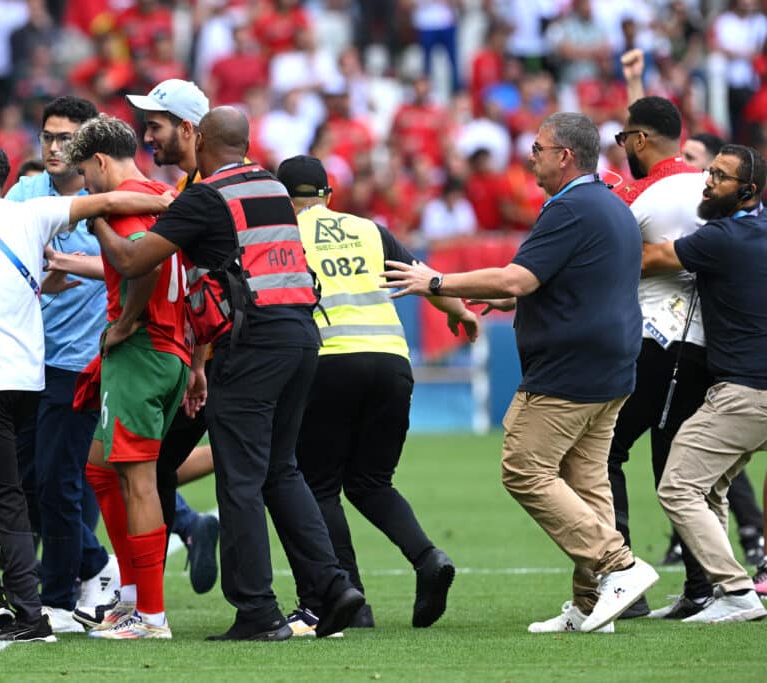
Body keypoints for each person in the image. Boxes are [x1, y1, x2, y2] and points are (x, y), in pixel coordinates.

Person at [87, 106, 365, 641]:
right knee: (281, 470)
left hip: (251, 343)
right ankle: (333, 587)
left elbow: (132, 260)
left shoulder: (206, 195)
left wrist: (94, 214)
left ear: (201, 139)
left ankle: (257, 611)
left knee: (241, 479)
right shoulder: (270, 186)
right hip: (303, 335)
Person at [382, 112, 659, 634]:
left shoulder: (571, 208)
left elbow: (517, 277)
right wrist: (512, 300)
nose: (530, 155)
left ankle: (618, 566)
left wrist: (436, 280)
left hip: (569, 371)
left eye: (537, 147)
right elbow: (560, 286)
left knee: (523, 467)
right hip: (613, 366)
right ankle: (589, 602)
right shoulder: (609, 206)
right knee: (587, 482)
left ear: (566, 156)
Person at [0, 139, 169, 642]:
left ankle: (28, 612)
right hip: (30, 380)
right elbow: (108, 202)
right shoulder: (32, 214)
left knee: (2, 492)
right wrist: (168, 203)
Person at [277, 154, 477, 635]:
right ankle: (428, 558)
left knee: (319, 486)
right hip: (392, 362)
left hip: (328, 362)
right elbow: (419, 273)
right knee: (371, 482)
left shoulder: (285, 235)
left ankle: (349, 600)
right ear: (328, 196)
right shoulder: (368, 229)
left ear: (284, 200)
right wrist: (461, 312)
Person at [62, 115, 192, 639]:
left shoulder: (125, 207)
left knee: (138, 482)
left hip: (143, 350)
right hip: (170, 350)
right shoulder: (157, 191)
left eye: (84, 174)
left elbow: (148, 266)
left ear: (98, 161)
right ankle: (135, 598)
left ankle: (151, 617)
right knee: (100, 470)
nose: (86, 188)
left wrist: (126, 322)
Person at [4, 96, 119, 631]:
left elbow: (131, 260)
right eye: (47, 136)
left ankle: (57, 597)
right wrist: (39, 280)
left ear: (88, 144)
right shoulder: (27, 193)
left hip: (79, 361)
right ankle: (93, 566)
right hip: (26, 358)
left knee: (59, 479)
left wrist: (72, 266)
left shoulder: (109, 199)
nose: (53, 147)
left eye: (65, 138)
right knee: (29, 479)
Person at [602, 96, 715, 620]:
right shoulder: (711, 185)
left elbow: (605, 257)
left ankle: (625, 580)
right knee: (676, 463)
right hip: (707, 343)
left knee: (605, 451)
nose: (623, 149)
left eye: (625, 139)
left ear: (640, 140)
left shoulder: (648, 193)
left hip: (660, 340)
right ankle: (701, 586)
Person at [644, 143, 767, 623]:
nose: (707, 181)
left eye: (720, 176)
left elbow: (650, 259)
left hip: (744, 394)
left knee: (677, 486)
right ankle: (720, 592)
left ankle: (737, 592)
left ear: (748, 192)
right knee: (710, 487)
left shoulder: (723, 239)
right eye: (708, 170)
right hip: (753, 393)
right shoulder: (754, 232)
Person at [126, 77, 222, 594]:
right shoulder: (186, 192)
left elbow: (206, 283)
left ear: (188, 130)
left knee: (269, 472)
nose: (147, 137)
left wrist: (200, 365)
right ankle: (146, 596)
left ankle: (145, 600)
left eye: (156, 125)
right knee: (158, 465)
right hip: (209, 355)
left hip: (221, 356)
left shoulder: (203, 194)